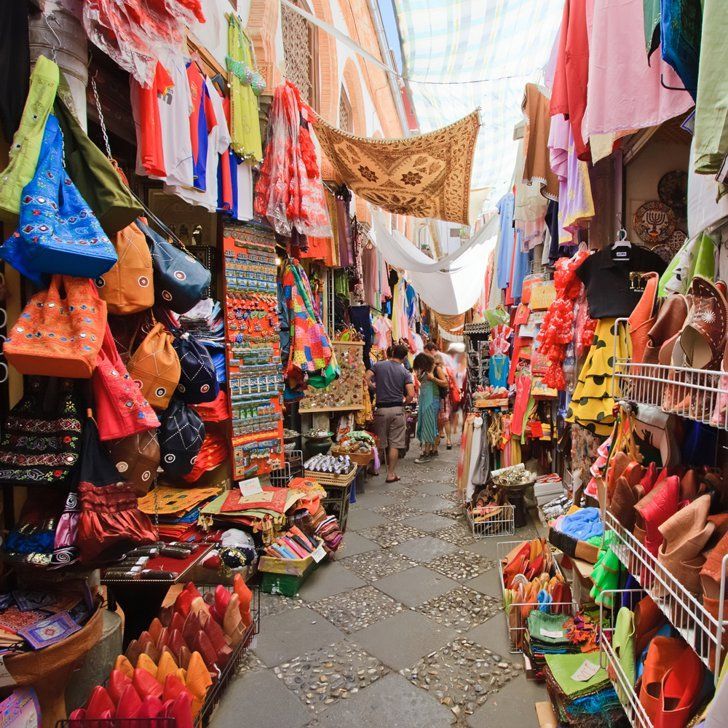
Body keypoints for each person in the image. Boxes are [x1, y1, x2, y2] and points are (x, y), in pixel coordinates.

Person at [366, 343, 415, 482]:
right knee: (394, 444)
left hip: (381, 409)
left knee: (380, 442)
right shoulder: (405, 372)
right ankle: (390, 474)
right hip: (397, 410)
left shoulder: (379, 365)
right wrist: (403, 404)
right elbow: (411, 394)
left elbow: (366, 377)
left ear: (392, 353)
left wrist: (373, 387)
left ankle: (374, 468)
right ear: (404, 357)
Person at [413, 352, 448, 463]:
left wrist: (433, 379)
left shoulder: (436, 369)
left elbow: (445, 383)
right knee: (426, 425)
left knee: (428, 425)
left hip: (432, 401)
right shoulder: (424, 370)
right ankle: (432, 450)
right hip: (424, 400)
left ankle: (426, 453)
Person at [424, 341, 452, 452]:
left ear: (431, 351)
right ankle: (441, 439)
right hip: (441, 395)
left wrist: (432, 379)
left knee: (442, 418)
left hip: (441, 395)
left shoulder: (436, 365)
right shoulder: (441, 360)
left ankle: (441, 441)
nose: (424, 354)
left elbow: (445, 382)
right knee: (442, 419)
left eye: (426, 352)